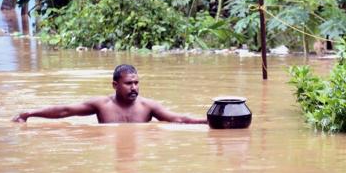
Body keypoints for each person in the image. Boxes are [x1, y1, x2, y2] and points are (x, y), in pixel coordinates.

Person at [12, 64, 207, 124]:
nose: (134, 88)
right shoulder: (102, 105)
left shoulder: (148, 107)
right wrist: (28, 114)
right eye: (128, 83)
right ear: (115, 85)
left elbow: (179, 119)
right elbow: (65, 111)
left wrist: (208, 122)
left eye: (137, 83)